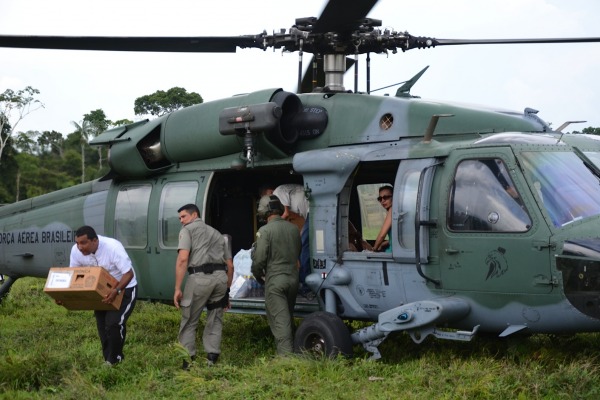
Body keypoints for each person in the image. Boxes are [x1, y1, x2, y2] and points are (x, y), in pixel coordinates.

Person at [173, 203, 234, 369]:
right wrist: (227, 291)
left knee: (189, 320)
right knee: (215, 318)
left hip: (199, 279)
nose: (181, 221)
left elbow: (183, 259)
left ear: (194, 215)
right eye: (179, 218)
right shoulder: (217, 234)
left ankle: (188, 361)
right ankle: (212, 358)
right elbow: (230, 264)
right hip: (220, 279)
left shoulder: (187, 230)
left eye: (183, 216)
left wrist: (178, 288)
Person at [69, 225, 137, 365]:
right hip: (100, 291)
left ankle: (116, 359)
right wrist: (67, 297)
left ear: (95, 240)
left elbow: (128, 273)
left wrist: (116, 291)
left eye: (83, 243)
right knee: (102, 327)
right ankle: (108, 360)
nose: (80, 247)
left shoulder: (113, 247)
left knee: (114, 324)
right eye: (77, 243)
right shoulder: (76, 251)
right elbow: (74, 275)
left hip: (124, 288)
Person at [251, 195, 302, 355]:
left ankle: (286, 362)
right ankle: (294, 352)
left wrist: (258, 275)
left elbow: (259, 259)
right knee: (287, 317)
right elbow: (298, 251)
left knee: (281, 323)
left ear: (264, 212)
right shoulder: (293, 229)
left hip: (275, 281)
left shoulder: (264, 231)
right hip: (293, 279)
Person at [272, 183, 310, 291]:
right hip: (310, 213)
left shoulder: (277, 192)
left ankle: (305, 284)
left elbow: (286, 213)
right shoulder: (287, 191)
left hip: (313, 211)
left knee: (304, 246)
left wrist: (272, 225)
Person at [372, 185, 393, 253]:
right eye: (380, 198)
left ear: (394, 197)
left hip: (392, 253)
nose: (382, 201)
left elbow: (382, 235)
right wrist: (385, 243)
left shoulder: (392, 210)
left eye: (386, 197)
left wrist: (374, 250)